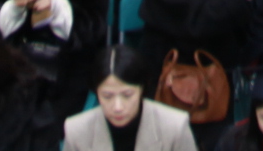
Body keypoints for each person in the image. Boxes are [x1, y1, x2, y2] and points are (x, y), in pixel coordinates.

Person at [66, 44, 195, 151]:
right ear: (96, 92)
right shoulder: (77, 130)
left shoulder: (175, 126)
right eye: (107, 96)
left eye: (127, 95)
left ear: (142, 90)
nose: (118, 107)